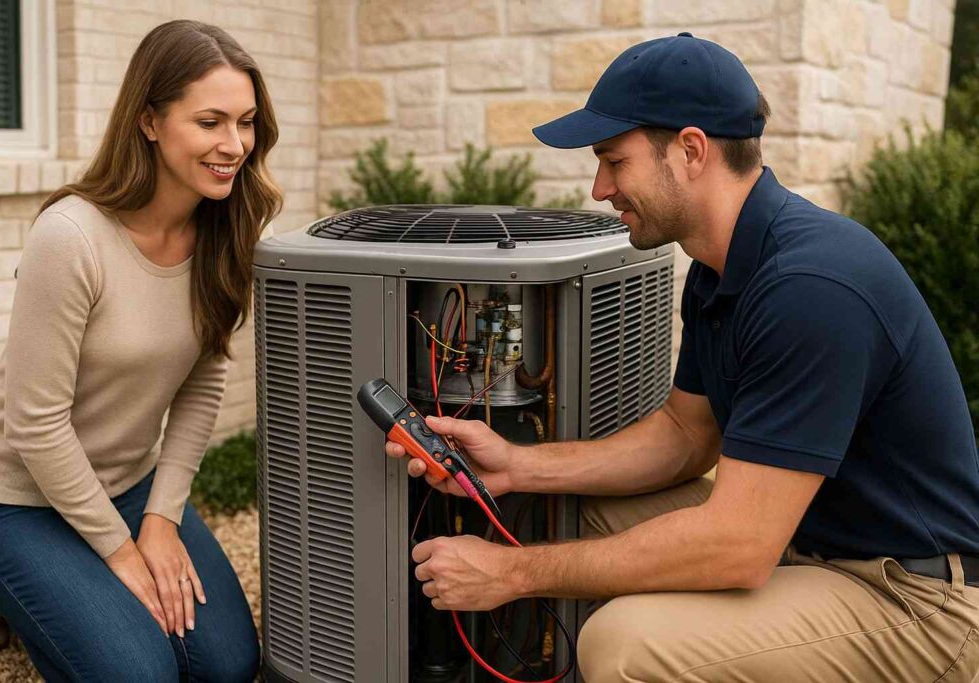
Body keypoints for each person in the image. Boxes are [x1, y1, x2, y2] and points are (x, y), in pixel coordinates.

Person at [386, 33, 979, 681]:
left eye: (615, 161)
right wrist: (518, 466)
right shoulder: (720, 268)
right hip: (809, 544)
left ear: (691, 151)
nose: (598, 187)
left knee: (626, 644)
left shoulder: (811, 286)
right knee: (568, 513)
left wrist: (513, 573)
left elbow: (739, 546)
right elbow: (685, 435)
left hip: (918, 598)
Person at [0, 19, 281, 681]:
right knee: (141, 672)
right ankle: (0, 583)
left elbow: (200, 387)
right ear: (150, 122)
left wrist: (159, 517)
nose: (234, 145)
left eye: (245, 122)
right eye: (211, 121)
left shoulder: (225, 227)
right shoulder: (71, 236)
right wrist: (121, 554)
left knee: (228, 664)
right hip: (13, 494)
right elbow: (35, 423)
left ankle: (31, 591)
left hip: (126, 483)